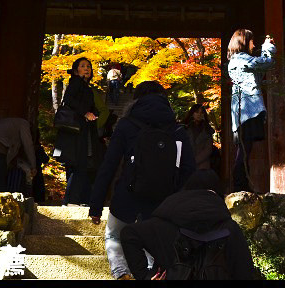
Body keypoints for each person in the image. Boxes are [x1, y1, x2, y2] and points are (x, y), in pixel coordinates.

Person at [88, 81, 197, 280]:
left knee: (114, 236)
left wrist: (96, 206)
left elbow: (109, 166)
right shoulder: (177, 130)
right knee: (152, 243)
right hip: (162, 203)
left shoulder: (126, 125)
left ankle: (122, 274)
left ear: (136, 99)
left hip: (126, 199)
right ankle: (151, 274)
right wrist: (175, 197)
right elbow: (189, 169)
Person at [121, 169, 260, 280]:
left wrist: (145, 276)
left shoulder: (163, 223)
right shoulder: (230, 228)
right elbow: (245, 272)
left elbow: (129, 234)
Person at [227, 29, 275, 193]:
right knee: (245, 149)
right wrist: (267, 46)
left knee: (245, 149)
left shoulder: (238, 60)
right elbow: (266, 63)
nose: (254, 44)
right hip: (248, 111)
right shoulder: (241, 59)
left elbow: (260, 70)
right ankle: (240, 186)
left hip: (243, 111)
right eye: (252, 41)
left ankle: (242, 185)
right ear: (244, 42)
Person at [54, 56, 101, 206]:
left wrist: (93, 113)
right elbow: (68, 99)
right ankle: (71, 200)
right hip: (75, 132)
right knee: (78, 165)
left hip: (81, 130)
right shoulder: (76, 82)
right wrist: (85, 113)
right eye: (82, 66)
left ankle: (74, 200)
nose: (87, 68)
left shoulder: (86, 87)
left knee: (80, 165)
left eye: (88, 66)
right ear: (75, 70)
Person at [0, 116, 37, 193]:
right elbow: (28, 145)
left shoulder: (11, 122)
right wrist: (33, 166)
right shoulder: (24, 124)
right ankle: (1, 200)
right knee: (0, 178)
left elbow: (13, 149)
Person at [183, 104, 217, 172]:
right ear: (192, 113)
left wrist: (194, 161)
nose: (199, 114)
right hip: (186, 164)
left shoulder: (207, 130)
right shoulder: (185, 128)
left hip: (202, 166)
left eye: (201, 112)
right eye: (196, 112)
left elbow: (208, 150)